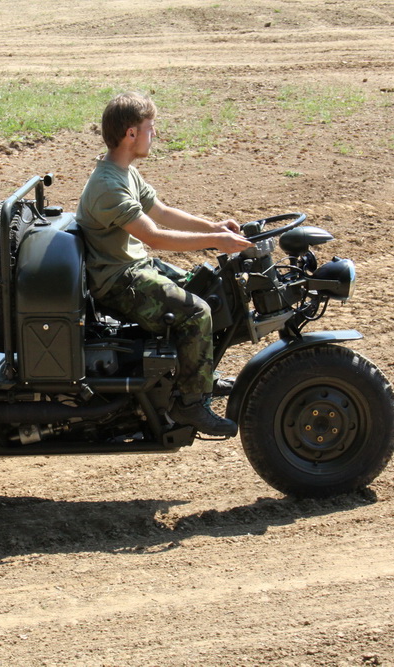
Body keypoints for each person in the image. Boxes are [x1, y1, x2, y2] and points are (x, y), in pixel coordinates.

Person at [75, 91, 253, 436]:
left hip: (134, 269)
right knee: (196, 312)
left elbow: (163, 212)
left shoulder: (123, 172)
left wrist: (214, 227)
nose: (154, 134)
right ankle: (189, 405)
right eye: (149, 128)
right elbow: (154, 236)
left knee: (207, 288)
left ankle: (200, 378)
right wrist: (218, 242)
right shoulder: (108, 186)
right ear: (131, 134)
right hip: (117, 282)